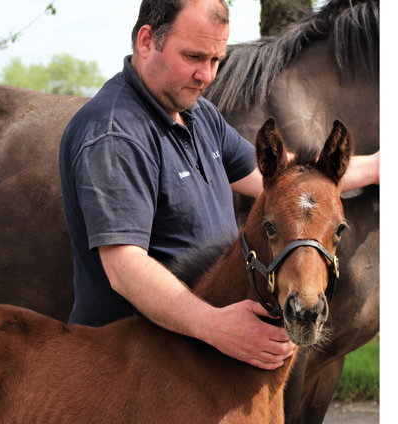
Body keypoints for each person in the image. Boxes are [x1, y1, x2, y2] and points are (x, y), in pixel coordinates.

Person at [58, 0, 379, 370]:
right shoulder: (116, 133)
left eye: (215, 60)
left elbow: (277, 181)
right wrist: (216, 326)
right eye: (194, 57)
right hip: (132, 366)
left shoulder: (197, 113)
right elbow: (124, 266)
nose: (207, 75)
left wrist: (372, 167)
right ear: (146, 41)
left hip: (194, 357)